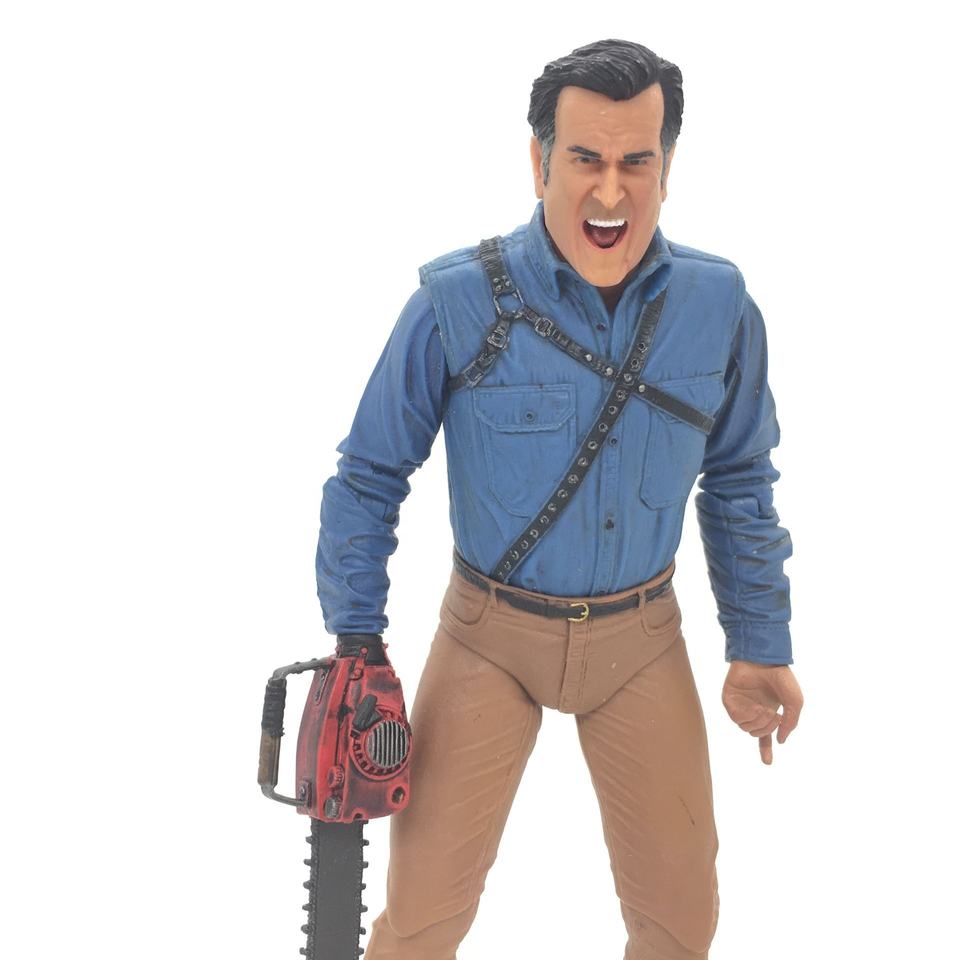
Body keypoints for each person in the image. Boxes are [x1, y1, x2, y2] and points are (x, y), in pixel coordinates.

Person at [315, 38, 804, 960]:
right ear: (540, 162)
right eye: (585, 159)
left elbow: (741, 476)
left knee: (681, 922)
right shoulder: (456, 303)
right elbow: (369, 476)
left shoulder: (719, 306)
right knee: (422, 916)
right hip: (488, 635)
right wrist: (356, 642)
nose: (611, 193)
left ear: (668, 166)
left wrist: (759, 642)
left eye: (636, 162)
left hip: (640, 636)